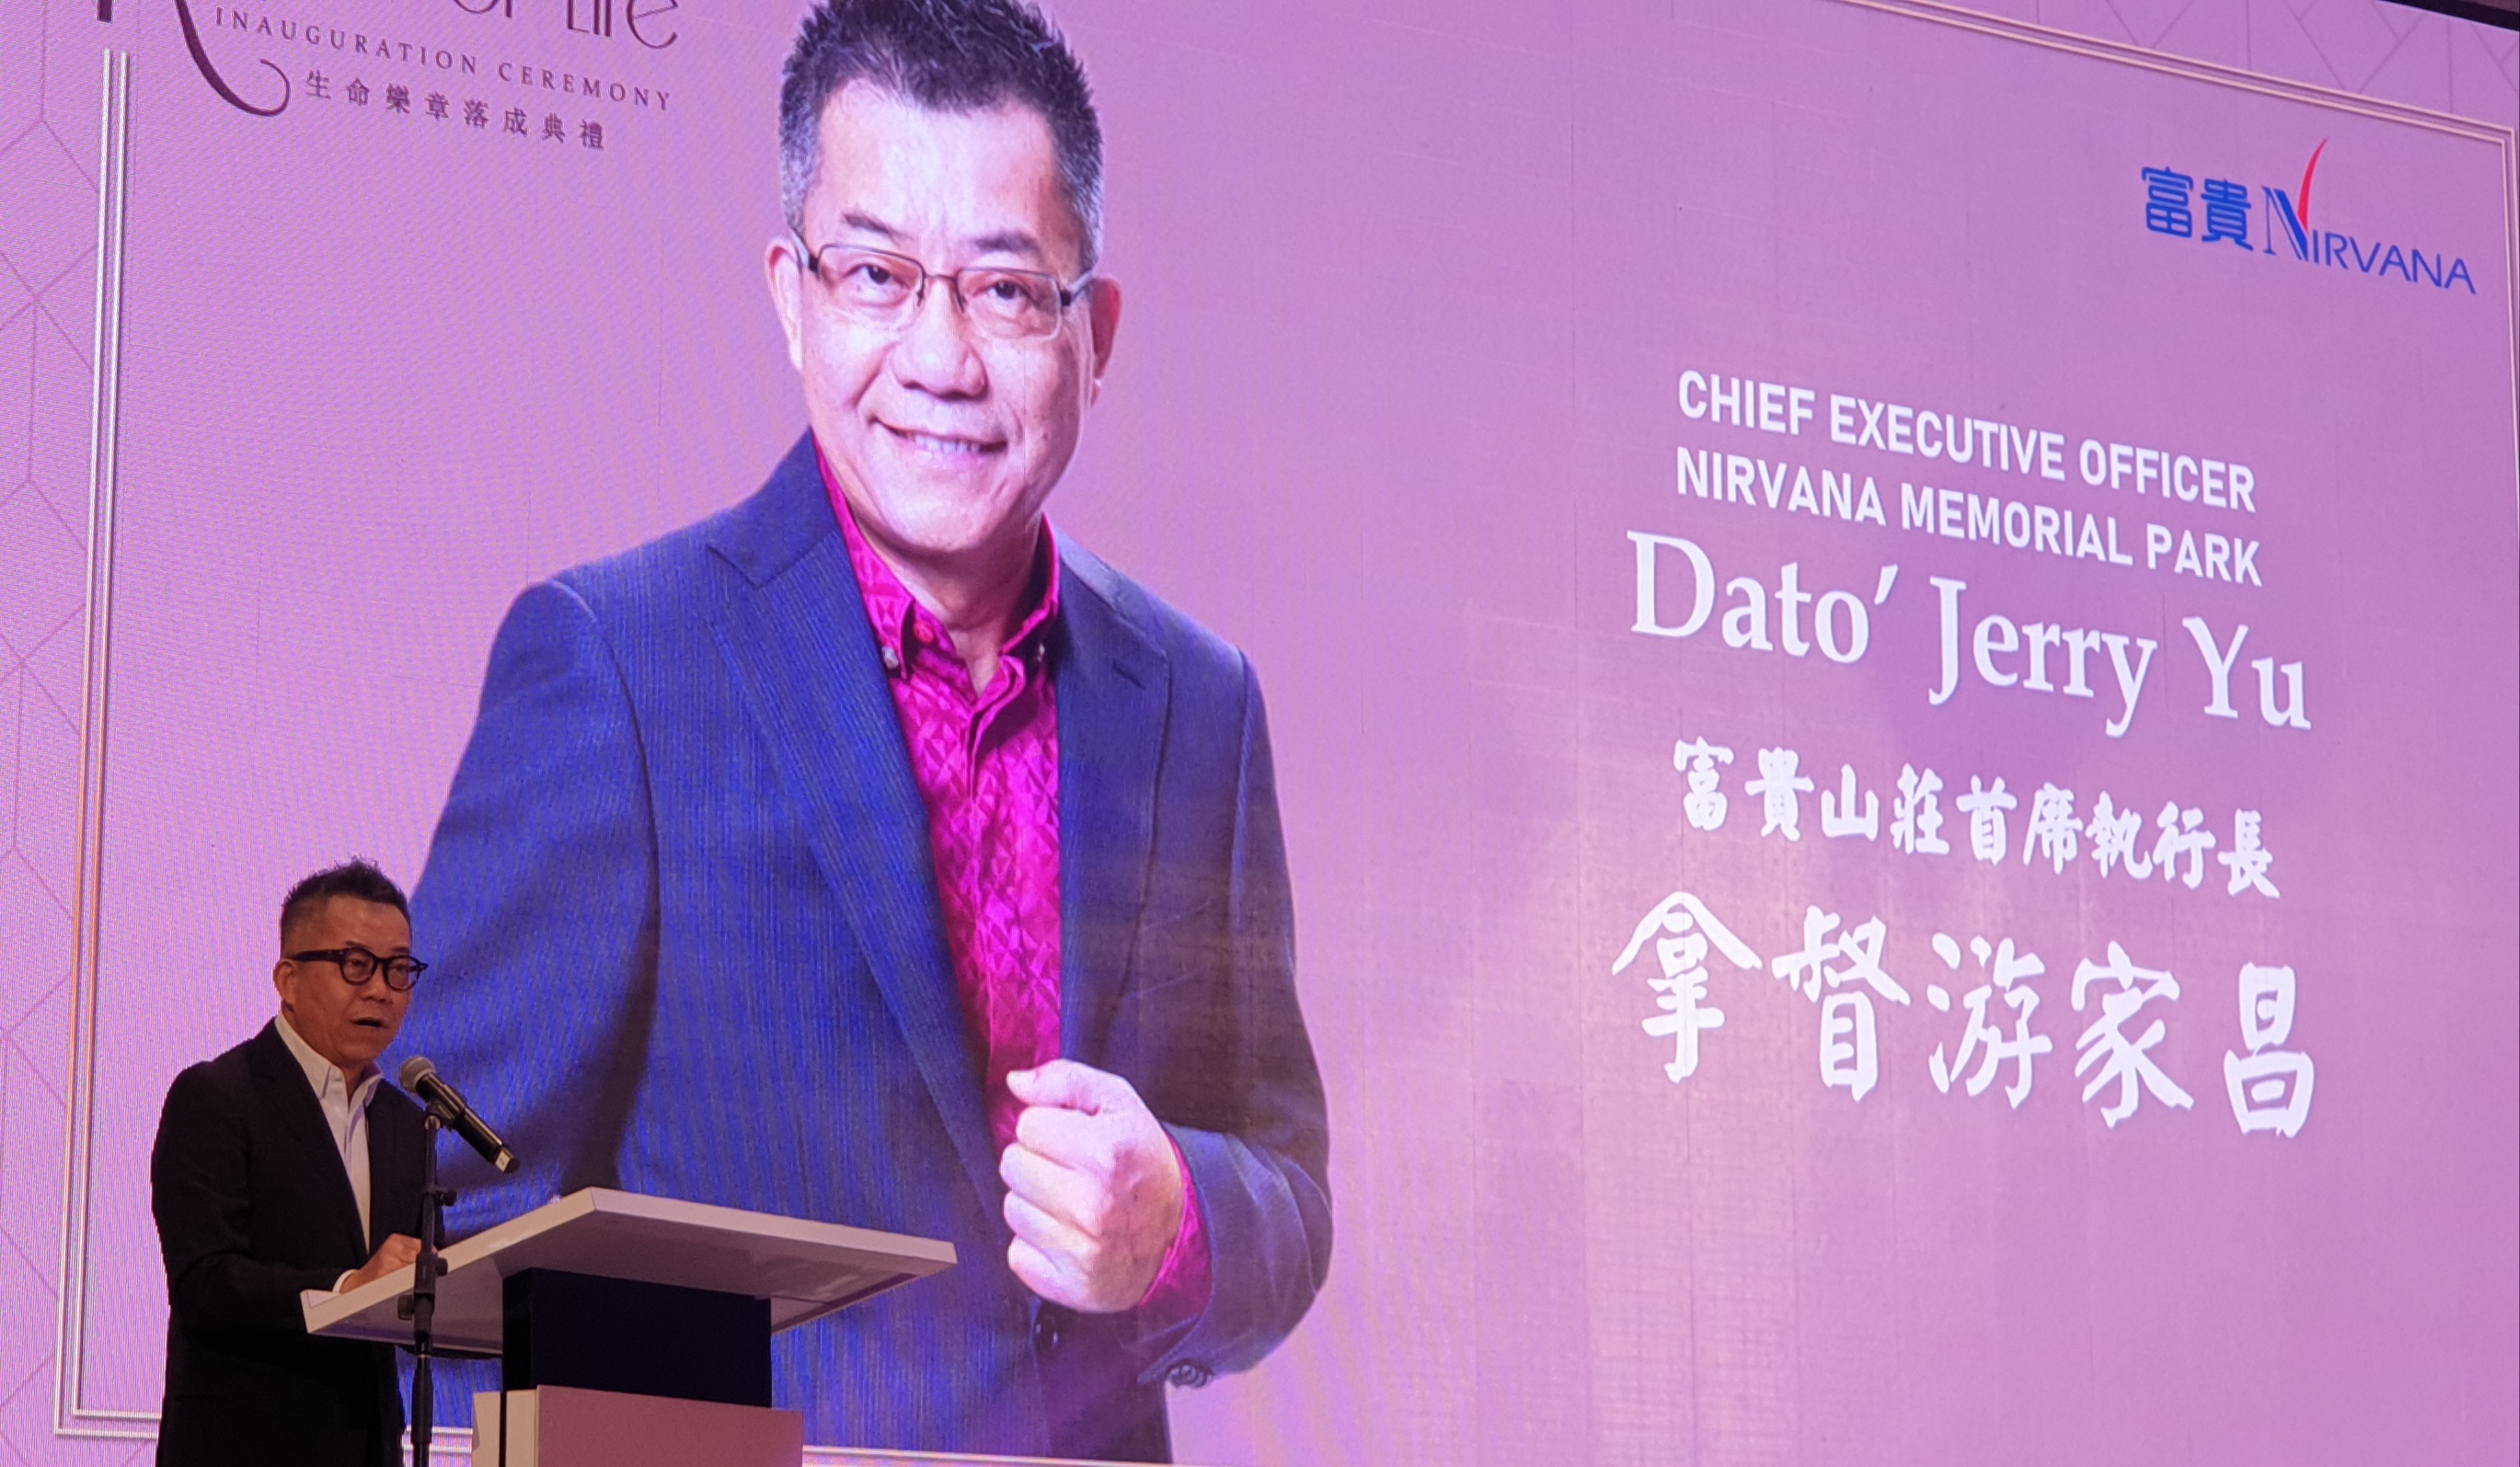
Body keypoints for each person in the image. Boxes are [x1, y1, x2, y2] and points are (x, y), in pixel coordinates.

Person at [395, 0, 1330, 1459]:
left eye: (1006, 290)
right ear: (791, 296)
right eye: (877, 275)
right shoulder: (617, 663)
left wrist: (1178, 1219)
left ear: (1095, 334)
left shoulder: (1197, 702)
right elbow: (440, 1208)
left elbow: (1286, 1185)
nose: (939, 359)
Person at [150, 860, 430, 1467]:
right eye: (355, 964)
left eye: (399, 968)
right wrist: (345, 1288)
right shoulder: (217, 1096)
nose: (381, 990)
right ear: (288, 978)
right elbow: (206, 1281)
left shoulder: (408, 1125)